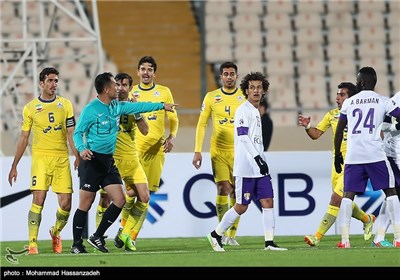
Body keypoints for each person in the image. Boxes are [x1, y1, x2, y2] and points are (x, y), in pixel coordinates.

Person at [70, 72, 176, 254]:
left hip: (108, 162)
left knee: (120, 200)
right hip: (92, 161)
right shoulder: (91, 109)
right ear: (106, 89)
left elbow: (140, 106)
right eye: (114, 84)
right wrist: (81, 149)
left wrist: (162, 106)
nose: (117, 88)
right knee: (85, 204)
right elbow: (78, 132)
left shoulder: (116, 107)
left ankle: (97, 236)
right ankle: (77, 244)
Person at [207, 72, 287, 252]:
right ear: (246, 90)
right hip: (246, 167)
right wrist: (257, 158)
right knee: (241, 206)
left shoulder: (256, 111)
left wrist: (261, 158)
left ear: (264, 90)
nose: (256, 90)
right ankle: (215, 235)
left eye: (259, 87)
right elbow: (242, 136)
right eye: (252, 87)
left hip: (259, 167)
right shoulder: (243, 110)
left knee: (268, 201)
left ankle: (269, 242)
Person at [7, 67, 80, 255]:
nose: (54, 84)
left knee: (66, 204)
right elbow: (24, 138)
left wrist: (78, 156)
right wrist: (14, 165)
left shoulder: (65, 105)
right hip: (40, 158)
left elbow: (71, 134)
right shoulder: (30, 108)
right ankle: (32, 243)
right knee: (38, 199)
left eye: (56, 81)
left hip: (61, 158)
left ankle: (55, 232)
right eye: (50, 81)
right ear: (41, 83)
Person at [298, 82, 375, 247]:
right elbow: (316, 135)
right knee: (341, 200)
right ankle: (367, 219)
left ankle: (317, 236)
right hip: (337, 163)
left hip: (353, 163)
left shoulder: (360, 114)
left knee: (336, 198)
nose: (337, 97)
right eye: (337, 94)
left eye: (342, 95)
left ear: (351, 98)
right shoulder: (332, 114)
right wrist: (308, 127)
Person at [334, 66, 400, 248]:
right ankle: (398, 237)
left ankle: (345, 241)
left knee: (348, 195)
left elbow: (339, 130)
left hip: (354, 155)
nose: (356, 82)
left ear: (362, 82)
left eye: (357, 80)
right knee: (391, 191)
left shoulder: (349, 102)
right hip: (375, 154)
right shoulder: (383, 101)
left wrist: (337, 154)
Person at [94, 73, 150, 252]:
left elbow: (145, 131)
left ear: (130, 88)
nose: (120, 88)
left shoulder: (133, 106)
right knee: (105, 198)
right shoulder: (106, 105)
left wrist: (138, 113)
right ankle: (99, 236)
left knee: (144, 197)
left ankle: (125, 233)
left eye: (124, 85)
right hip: (111, 159)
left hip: (131, 159)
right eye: (117, 84)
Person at [125, 56, 179, 245]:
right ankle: (124, 228)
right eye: (143, 69)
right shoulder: (131, 93)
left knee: (146, 195)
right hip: (134, 150)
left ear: (154, 73)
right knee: (131, 193)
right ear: (138, 72)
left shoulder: (164, 92)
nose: (146, 72)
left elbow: (173, 119)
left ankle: (131, 236)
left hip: (157, 151)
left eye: (149, 69)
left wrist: (172, 137)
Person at [192, 62, 245, 246]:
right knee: (223, 188)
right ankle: (221, 232)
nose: (229, 77)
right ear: (221, 77)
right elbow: (201, 124)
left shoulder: (244, 97)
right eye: (225, 74)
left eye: (232, 74)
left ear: (236, 76)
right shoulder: (211, 97)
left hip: (240, 152)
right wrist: (197, 150)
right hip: (218, 151)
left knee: (238, 195)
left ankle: (232, 234)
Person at [372, 90, 400, 247]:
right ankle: (383, 237)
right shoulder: (397, 99)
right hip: (394, 153)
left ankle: (379, 237)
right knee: (393, 194)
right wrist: (397, 126)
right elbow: (382, 124)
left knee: (393, 195)